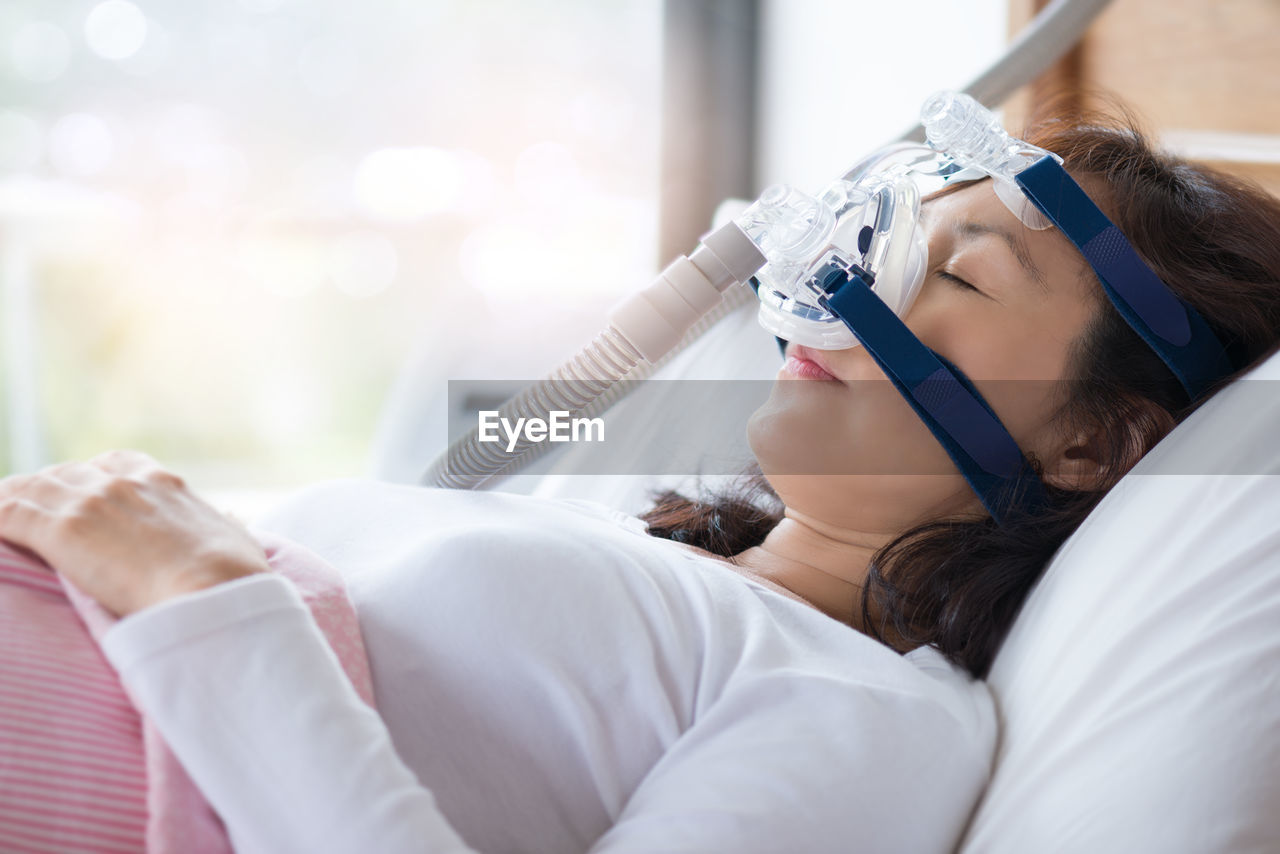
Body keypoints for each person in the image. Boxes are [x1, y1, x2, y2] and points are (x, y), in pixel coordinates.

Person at [3, 106, 1280, 854]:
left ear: (1091, 442)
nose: (841, 296)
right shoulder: (641, 547)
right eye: (884, 243)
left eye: (954, 276)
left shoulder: (872, 717)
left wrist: (202, 590)